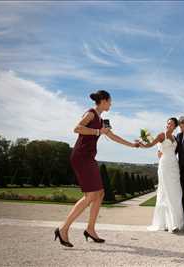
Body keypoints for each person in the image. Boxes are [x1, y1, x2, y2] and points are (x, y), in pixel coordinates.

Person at [54, 90, 139, 247]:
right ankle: (63, 228)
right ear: (103, 101)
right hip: (80, 156)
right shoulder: (91, 113)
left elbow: (112, 136)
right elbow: (77, 128)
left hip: (89, 157)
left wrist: (132, 145)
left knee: (100, 193)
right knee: (91, 195)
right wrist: (98, 132)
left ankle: (90, 229)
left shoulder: (102, 120)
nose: (111, 104)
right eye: (110, 101)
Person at [139, 118, 184, 233]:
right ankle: (170, 224)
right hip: (164, 165)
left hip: (174, 165)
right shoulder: (161, 135)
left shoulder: (175, 137)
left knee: (176, 192)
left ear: (175, 127)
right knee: (166, 191)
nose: (168, 125)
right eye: (168, 123)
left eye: (171, 124)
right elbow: (150, 145)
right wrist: (141, 144)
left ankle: (173, 222)